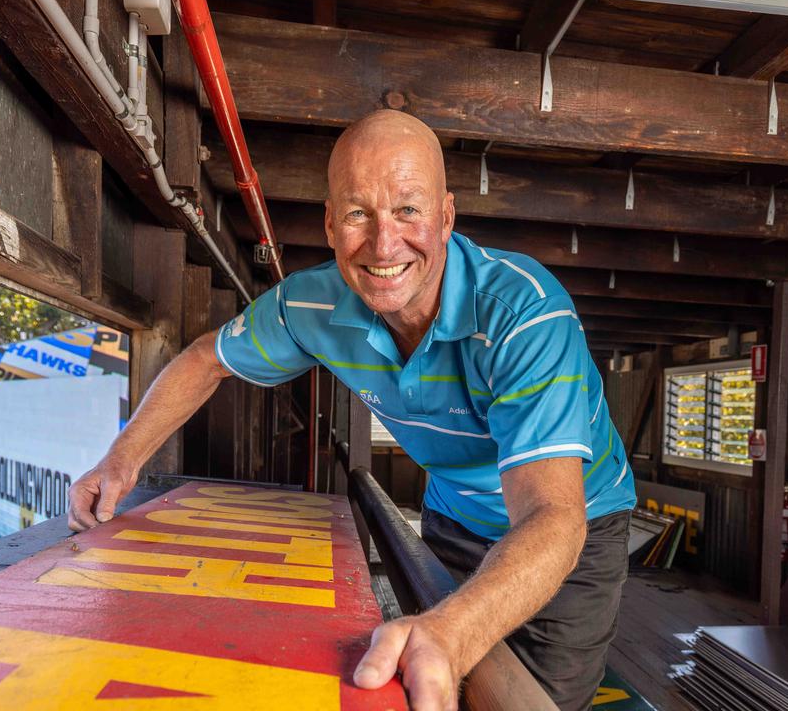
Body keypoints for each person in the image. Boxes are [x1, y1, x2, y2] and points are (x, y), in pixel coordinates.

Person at [68, 110, 635, 711]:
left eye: (409, 210)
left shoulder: (524, 313)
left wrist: (452, 631)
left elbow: (552, 512)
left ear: (446, 217)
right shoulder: (311, 302)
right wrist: (120, 461)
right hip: (455, 513)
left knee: (530, 700)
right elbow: (208, 358)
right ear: (332, 224)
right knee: (424, 684)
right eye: (360, 213)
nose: (384, 244)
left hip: (574, 529)